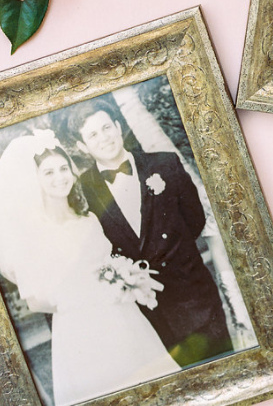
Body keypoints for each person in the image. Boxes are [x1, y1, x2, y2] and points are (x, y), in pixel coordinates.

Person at [0, 130, 180, 406]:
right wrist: (95, 296)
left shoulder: (88, 219)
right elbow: (36, 301)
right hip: (82, 330)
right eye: (48, 173)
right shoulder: (35, 235)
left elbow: (105, 264)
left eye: (63, 168)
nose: (60, 177)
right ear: (34, 180)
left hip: (125, 316)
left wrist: (125, 279)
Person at [67, 100, 233, 368]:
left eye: (106, 127)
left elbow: (195, 219)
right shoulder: (83, 191)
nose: (104, 138)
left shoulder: (165, 165)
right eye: (93, 135)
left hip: (194, 296)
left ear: (118, 127)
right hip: (144, 314)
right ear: (83, 147)